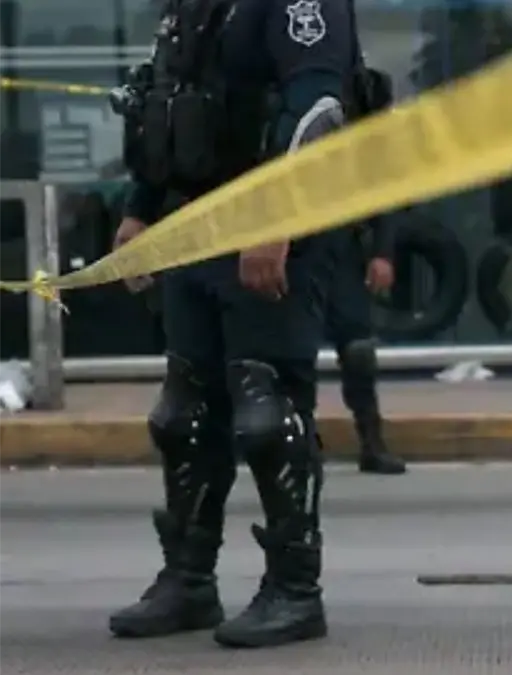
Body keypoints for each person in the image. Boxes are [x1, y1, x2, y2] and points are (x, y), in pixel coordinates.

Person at [104, 0, 363, 649]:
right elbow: (167, 96)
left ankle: (295, 590)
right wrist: (140, 208)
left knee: (268, 412)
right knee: (184, 415)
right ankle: (189, 578)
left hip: (271, 228)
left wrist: (277, 219)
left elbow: (316, 110)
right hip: (196, 222)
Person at [326, 211, 408, 474]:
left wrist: (382, 254)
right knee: (287, 355)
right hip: (290, 254)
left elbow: (381, 206)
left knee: (358, 350)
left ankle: (372, 443)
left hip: (339, 248)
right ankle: (292, 445)